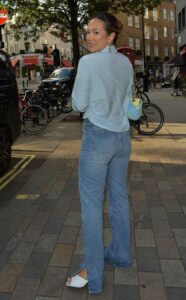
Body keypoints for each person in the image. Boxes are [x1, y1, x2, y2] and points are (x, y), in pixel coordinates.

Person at [66, 11, 133, 294]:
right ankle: (120, 254)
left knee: (91, 207)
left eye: (96, 32)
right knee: (118, 196)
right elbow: (129, 102)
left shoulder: (88, 62)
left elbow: (78, 105)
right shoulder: (125, 63)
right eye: (88, 32)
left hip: (98, 137)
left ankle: (92, 272)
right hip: (122, 137)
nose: (90, 37)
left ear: (111, 35)